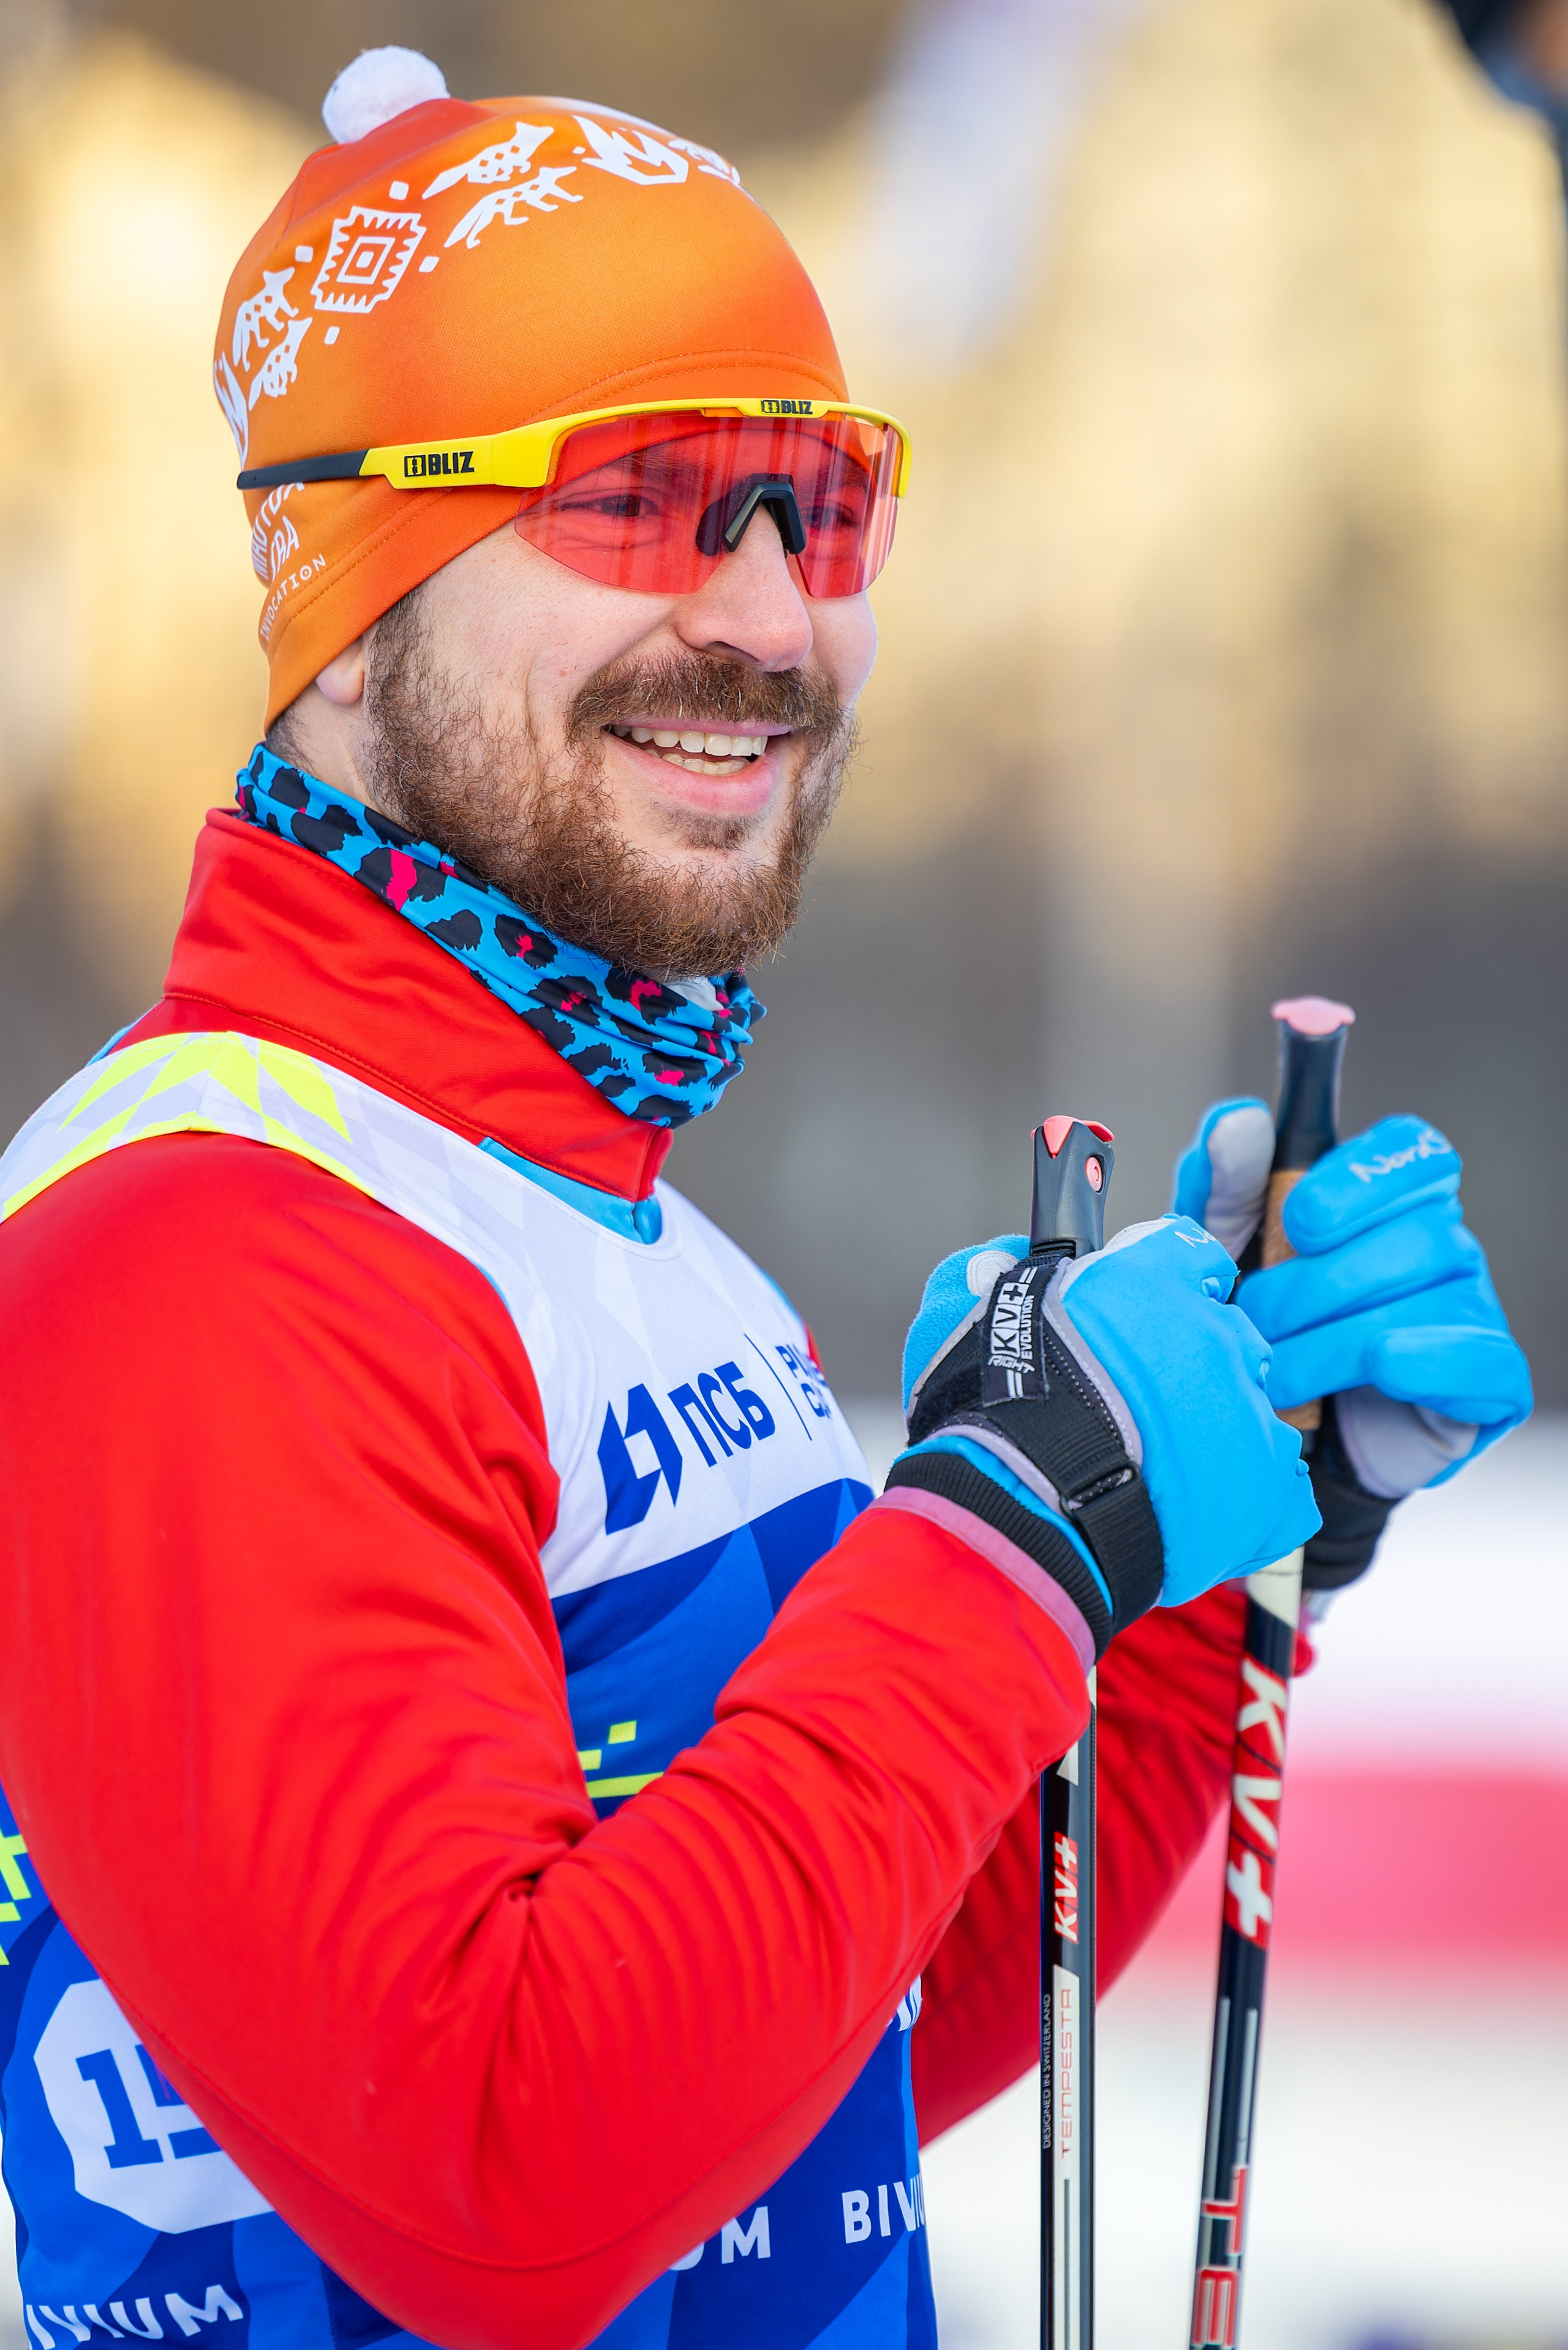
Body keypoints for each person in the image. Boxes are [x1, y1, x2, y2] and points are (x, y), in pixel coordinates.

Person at [0, 45, 1531, 2350]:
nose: (767, 620)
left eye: (818, 504)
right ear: (351, 588)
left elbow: (829, 2028)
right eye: (641, 495)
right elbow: (507, 2174)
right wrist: (1005, 1533)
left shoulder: (602, 1225)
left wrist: (1177, 1558)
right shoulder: (205, 1253)